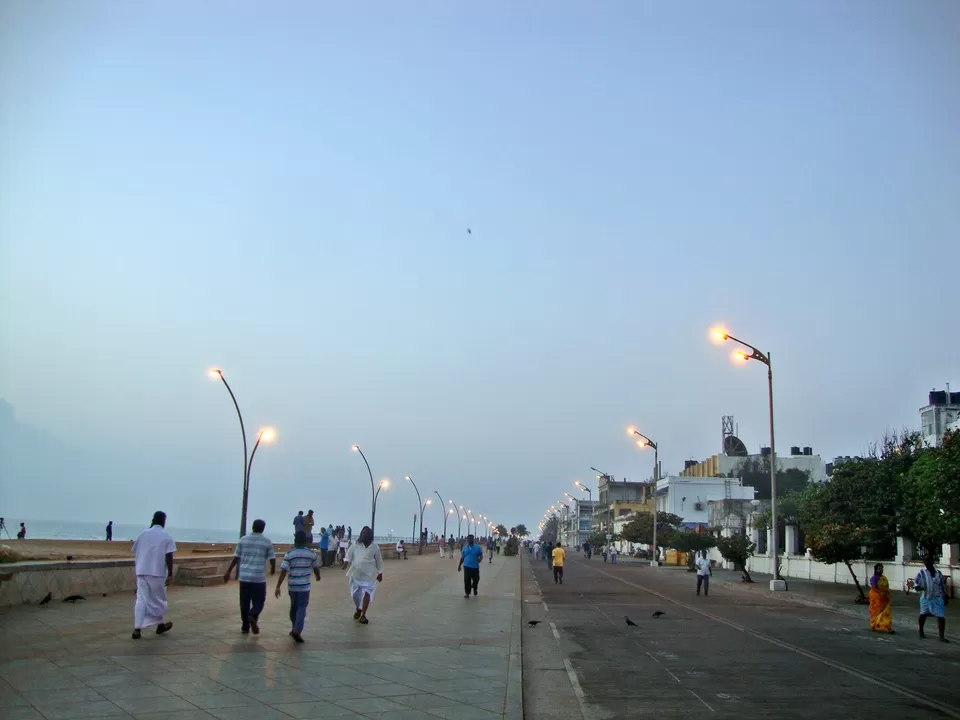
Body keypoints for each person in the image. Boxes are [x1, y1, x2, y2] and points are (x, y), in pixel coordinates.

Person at [223, 518, 276, 634]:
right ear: (263, 529)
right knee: (259, 601)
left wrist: (228, 572)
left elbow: (236, 557)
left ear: (252, 527)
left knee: (244, 602)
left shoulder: (243, 540)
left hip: (244, 577)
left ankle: (245, 626)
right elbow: (272, 558)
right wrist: (273, 569)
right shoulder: (267, 542)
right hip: (258, 578)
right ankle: (253, 615)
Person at [131, 511, 175, 639]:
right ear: (163, 521)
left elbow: (135, 550)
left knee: (141, 599)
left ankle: (137, 629)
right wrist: (170, 573)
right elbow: (169, 555)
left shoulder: (143, 533)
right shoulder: (166, 536)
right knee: (159, 600)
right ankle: (159, 624)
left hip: (141, 571)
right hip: (157, 572)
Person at [274, 530, 320, 643]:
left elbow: (283, 571)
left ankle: (294, 628)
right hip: (304, 587)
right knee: (302, 608)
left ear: (295, 540)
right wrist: (318, 576)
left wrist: (278, 586)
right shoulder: (311, 554)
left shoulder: (290, 554)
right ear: (305, 541)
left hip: (292, 587)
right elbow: (316, 567)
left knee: (294, 607)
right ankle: (297, 630)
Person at [344, 526, 383, 624]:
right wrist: (345, 562)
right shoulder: (355, 544)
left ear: (370, 535)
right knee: (355, 596)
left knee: (367, 594)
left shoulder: (375, 547)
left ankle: (363, 615)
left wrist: (380, 572)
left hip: (369, 576)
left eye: (366, 533)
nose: (363, 535)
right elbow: (349, 554)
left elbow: (379, 561)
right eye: (362, 533)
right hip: (355, 575)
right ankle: (358, 609)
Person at [915, 555, 949, 642]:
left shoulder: (938, 573)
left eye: (928, 561)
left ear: (933, 562)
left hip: (937, 598)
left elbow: (942, 585)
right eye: (925, 561)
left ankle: (941, 636)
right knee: (923, 615)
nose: (926, 563)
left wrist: (945, 595)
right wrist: (918, 587)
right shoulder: (921, 572)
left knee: (941, 616)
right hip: (926, 597)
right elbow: (916, 583)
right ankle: (921, 630)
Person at [868, 563, 895, 634]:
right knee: (877, 613)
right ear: (876, 570)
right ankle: (874, 625)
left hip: (885, 598)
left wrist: (887, 592)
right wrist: (880, 593)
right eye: (879, 569)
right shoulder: (874, 578)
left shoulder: (884, 578)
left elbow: (886, 587)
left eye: (881, 569)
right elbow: (874, 587)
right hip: (876, 598)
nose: (881, 570)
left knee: (887, 612)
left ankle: (888, 627)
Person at [458, 534, 484, 598]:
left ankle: (475, 588)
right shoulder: (464, 548)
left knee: (476, 579)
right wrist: (459, 565)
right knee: (467, 580)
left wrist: (480, 559)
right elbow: (462, 558)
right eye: (468, 539)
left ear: (473, 539)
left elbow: (481, 555)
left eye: (471, 539)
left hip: (475, 567)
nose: (469, 540)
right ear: (467, 540)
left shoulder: (478, 547)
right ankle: (467, 593)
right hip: (467, 566)